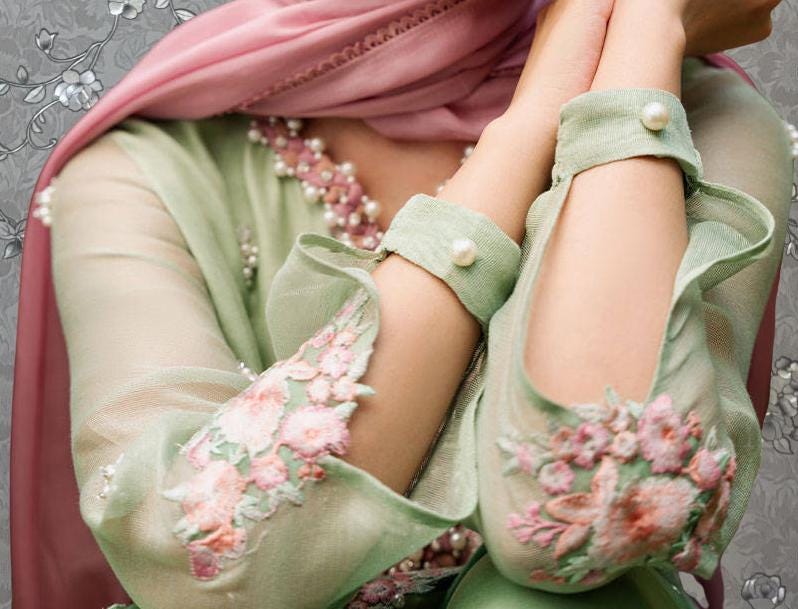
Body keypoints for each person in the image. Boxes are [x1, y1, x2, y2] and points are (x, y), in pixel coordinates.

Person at [9, 0, 795, 607]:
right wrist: (529, 126)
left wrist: (641, 30)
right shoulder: (141, 164)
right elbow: (217, 567)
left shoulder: (682, 105)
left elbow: (589, 514)